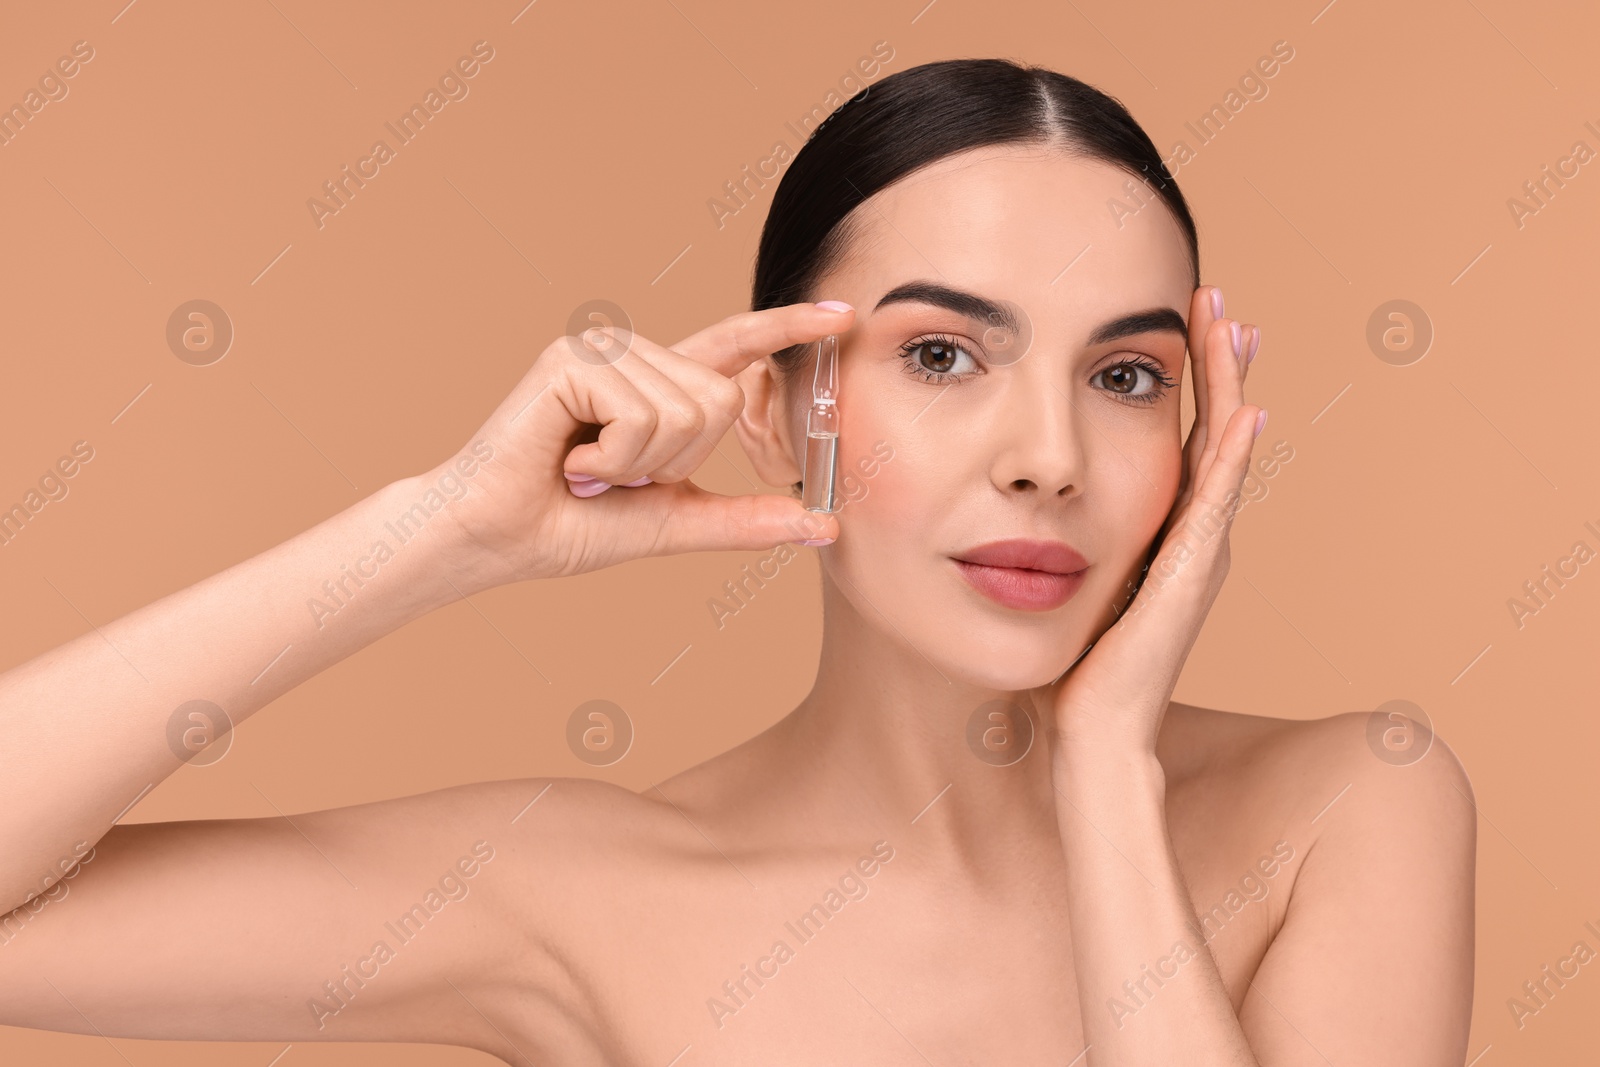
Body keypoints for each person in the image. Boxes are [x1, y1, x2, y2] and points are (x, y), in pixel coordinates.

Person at [0, 58, 1473, 1064]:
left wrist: (1106, 780)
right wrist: (443, 533)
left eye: (1130, 376)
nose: (1050, 458)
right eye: (945, 353)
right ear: (783, 411)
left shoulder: (1351, 806)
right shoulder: (574, 891)